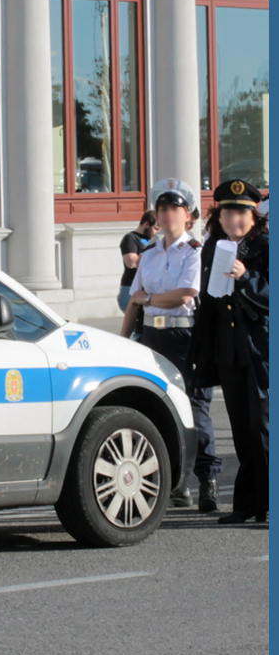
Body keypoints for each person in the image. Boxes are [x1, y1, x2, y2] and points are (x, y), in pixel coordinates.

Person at [120, 178, 221, 509]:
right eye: (161, 209)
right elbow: (134, 302)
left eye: (173, 209)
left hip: (183, 337)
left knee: (194, 407)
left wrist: (148, 297)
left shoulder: (195, 252)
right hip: (151, 337)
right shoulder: (149, 252)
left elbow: (186, 293)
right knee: (156, 406)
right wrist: (123, 343)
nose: (165, 215)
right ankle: (176, 483)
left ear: (188, 216)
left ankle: (208, 479)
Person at [191, 180, 269, 524]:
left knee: (264, 429)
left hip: (261, 350)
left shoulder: (265, 247)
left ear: (253, 217)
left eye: (240, 212)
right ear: (218, 216)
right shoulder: (213, 248)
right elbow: (207, 304)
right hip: (229, 351)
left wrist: (246, 277)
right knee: (241, 429)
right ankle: (248, 503)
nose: (234, 219)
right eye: (227, 212)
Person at [118, 210, 157, 313]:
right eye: (156, 228)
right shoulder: (131, 238)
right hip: (130, 288)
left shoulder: (156, 239)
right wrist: (152, 256)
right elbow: (131, 262)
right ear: (147, 224)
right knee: (135, 325)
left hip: (148, 288)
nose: (157, 232)